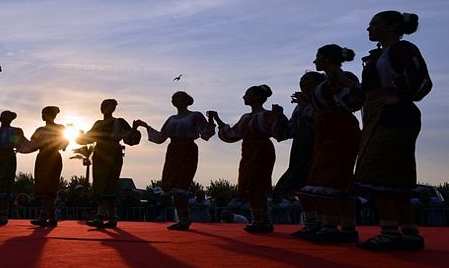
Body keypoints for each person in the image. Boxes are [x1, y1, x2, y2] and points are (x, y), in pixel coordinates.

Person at [353, 11, 432, 250]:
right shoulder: (381, 55)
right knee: (395, 174)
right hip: (378, 117)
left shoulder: (403, 49)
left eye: (374, 24)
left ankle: (390, 232)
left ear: (392, 27)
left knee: (380, 171)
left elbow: (423, 81)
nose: (369, 29)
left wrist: (399, 97)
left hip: (395, 118)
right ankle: (408, 231)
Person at [296, 45, 363, 242]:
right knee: (333, 178)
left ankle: (332, 227)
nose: (315, 62)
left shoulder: (344, 77)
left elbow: (356, 99)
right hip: (325, 129)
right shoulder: (324, 83)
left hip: (339, 128)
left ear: (327, 59)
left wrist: (342, 80)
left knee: (331, 178)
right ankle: (343, 227)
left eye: (318, 57)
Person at [208, 85, 284, 233]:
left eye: (247, 94)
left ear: (256, 97)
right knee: (247, 185)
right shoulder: (245, 117)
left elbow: (280, 133)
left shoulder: (268, 115)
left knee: (256, 184)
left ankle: (263, 221)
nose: (244, 97)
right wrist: (217, 119)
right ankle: (260, 220)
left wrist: (280, 117)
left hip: (262, 150)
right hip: (248, 152)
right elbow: (232, 134)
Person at [135, 91, 215, 231]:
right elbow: (161, 137)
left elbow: (205, 134)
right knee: (170, 185)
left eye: (178, 96)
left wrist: (211, 120)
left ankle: (184, 219)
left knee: (181, 185)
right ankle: (183, 218)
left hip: (187, 150)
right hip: (173, 151)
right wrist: (146, 126)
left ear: (187, 99)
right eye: (173, 97)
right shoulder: (171, 119)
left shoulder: (195, 115)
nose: (175, 99)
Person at [76, 99, 140, 228]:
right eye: (103, 105)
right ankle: (112, 217)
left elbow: (131, 140)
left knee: (109, 183)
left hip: (113, 153)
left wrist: (134, 128)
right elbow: (87, 138)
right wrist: (80, 136)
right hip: (100, 153)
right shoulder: (98, 123)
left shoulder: (119, 121)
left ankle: (100, 216)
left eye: (108, 105)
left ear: (114, 108)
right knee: (100, 183)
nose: (104, 107)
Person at [272, 72, 323, 200]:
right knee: (297, 181)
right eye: (302, 79)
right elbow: (289, 130)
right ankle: (312, 217)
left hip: (317, 140)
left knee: (313, 179)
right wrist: (280, 116)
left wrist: (306, 103)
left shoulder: (323, 99)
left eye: (307, 79)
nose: (302, 82)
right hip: (300, 144)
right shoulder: (299, 107)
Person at [20, 106, 69, 227]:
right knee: (43, 186)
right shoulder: (40, 129)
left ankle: (43, 216)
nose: (42, 116)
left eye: (44, 113)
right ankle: (52, 218)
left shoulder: (60, 128)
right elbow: (33, 144)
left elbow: (65, 142)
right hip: (42, 157)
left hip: (52, 156)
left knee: (50, 185)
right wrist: (21, 147)